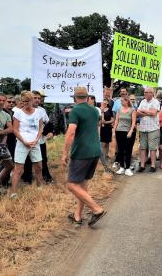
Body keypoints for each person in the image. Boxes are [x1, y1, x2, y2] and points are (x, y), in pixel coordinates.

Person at [61, 87, 107, 226]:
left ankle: (96, 209)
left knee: (71, 185)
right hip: (95, 151)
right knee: (82, 184)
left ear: (74, 99)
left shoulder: (75, 111)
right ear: (87, 98)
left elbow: (70, 133)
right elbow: (98, 123)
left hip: (81, 152)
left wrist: (64, 153)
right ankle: (77, 215)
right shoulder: (94, 110)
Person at [10, 91, 44, 198]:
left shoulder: (38, 112)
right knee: (18, 168)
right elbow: (15, 130)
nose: (24, 104)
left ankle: (39, 188)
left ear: (31, 101)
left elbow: (40, 128)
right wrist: (24, 141)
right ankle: (13, 192)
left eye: (27, 101)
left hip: (35, 143)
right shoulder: (18, 113)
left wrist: (37, 139)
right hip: (22, 143)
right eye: (23, 101)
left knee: (38, 166)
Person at [137, 87, 161, 172]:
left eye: (147, 92)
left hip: (153, 128)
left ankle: (153, 166)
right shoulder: (142, 101)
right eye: (144, 92)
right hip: (143, 128)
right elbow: (138, 113)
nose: (145, 94)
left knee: (152, 148)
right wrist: (148, 112)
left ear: (152, 93)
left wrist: (143, 111)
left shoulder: (156, 102)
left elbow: (154, 113)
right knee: (142, 147)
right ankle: (142, 165)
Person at [34, 91, 54, 183]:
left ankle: (46, 177)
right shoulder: (23, 110)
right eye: (36, 98)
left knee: (43, 159)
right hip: (28, 140)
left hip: (41, 140)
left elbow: (48, 123)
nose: (38, 100)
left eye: (39, 98)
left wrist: (50, 132)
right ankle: (27, 178)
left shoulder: (42, 110)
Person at [114, 96, 137, 176]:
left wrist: (130, 131)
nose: (121, 102)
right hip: (119, 131)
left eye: (122, 101)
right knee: (120, 150)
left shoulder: (132, 110)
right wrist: (114, 130)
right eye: (121, 101)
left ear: (127, 101)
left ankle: (127, 168)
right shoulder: (119, 109)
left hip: (128, 132)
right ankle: (121, 167)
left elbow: (133, 122)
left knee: (128, 150)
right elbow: (116, 120)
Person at [100, 99, 114, 169]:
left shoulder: (110, 110)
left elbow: (112, 119)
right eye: (103, 100)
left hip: (108, 128)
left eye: (106, 101)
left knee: (107, 142)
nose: (104, 102)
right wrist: (102, 111)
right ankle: (103, 157)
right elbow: (100, 120)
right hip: (102, 129)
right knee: (103, 143)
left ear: (108, 102)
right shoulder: (99, 110)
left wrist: (106, 122)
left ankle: (106, 155)